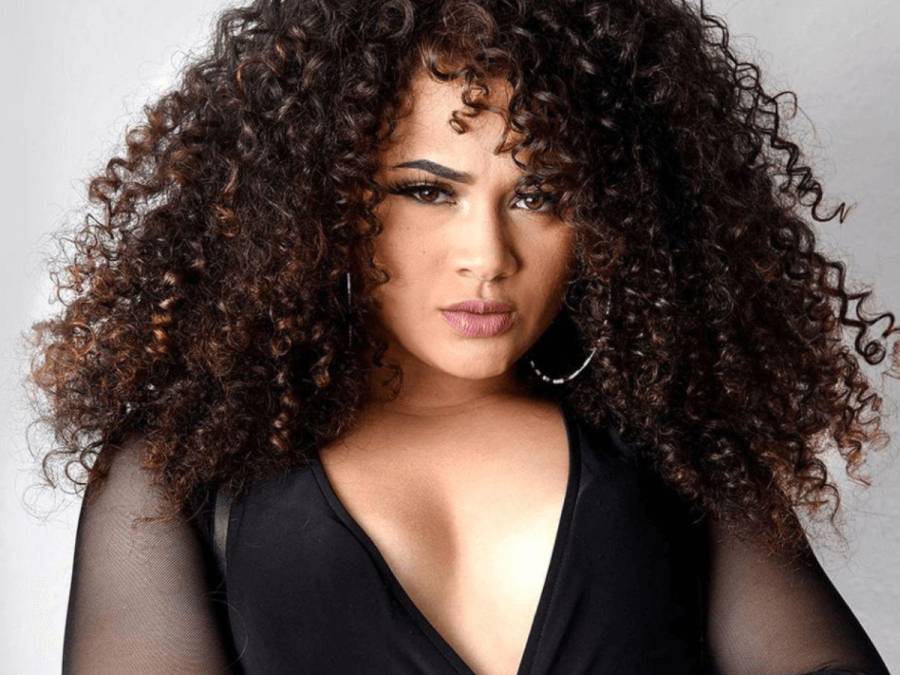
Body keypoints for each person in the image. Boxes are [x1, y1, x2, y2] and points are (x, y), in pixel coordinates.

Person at [24, 0, 896, 673]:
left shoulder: (682, 453)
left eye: (540, 195)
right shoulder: (173, 476)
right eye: (427, 191)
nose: (487, 255)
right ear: (323, 198)